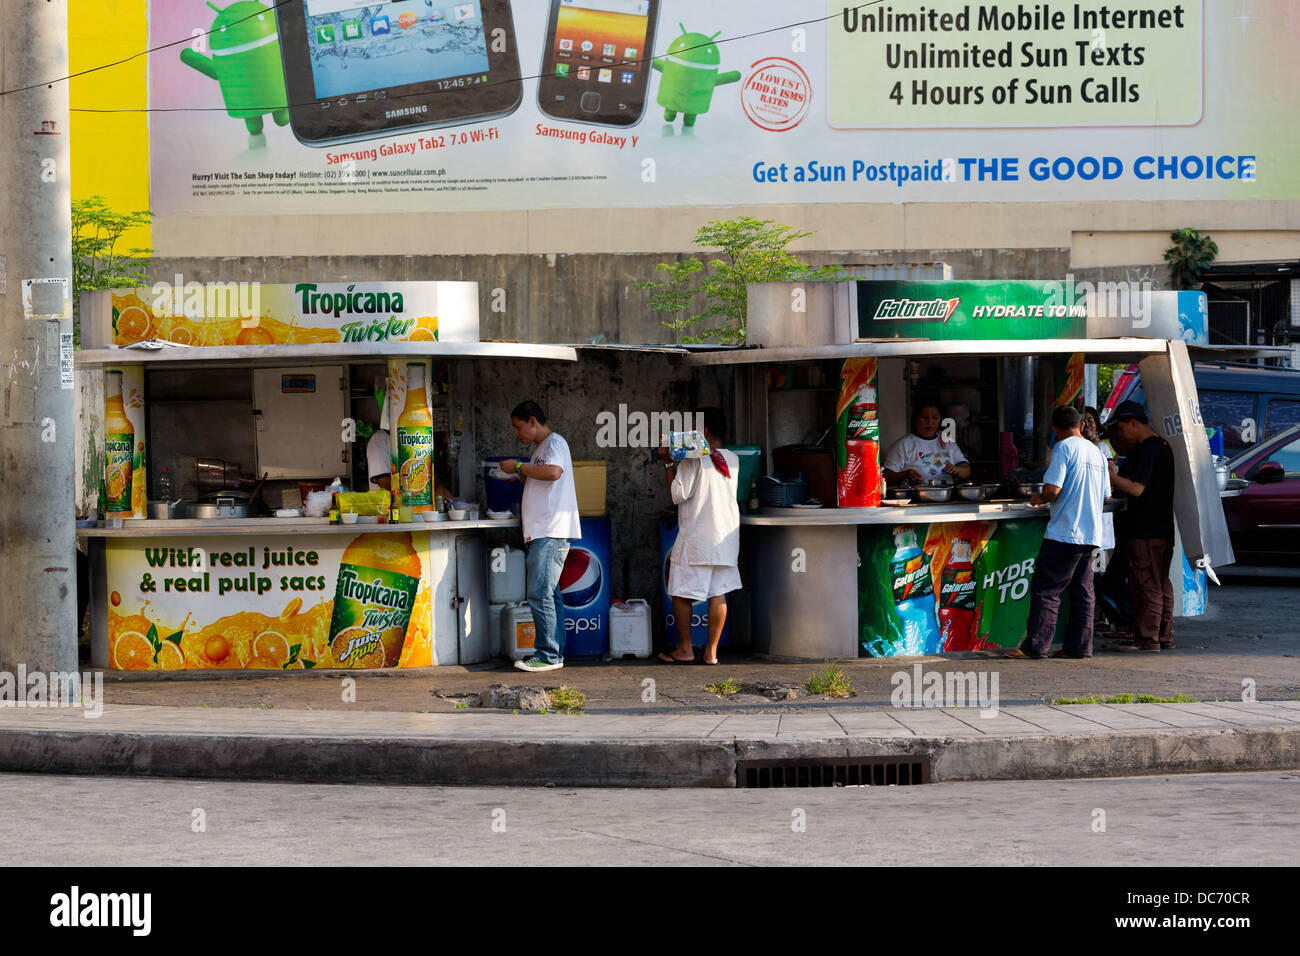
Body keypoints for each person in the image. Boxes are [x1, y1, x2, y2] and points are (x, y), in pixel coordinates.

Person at [1006, 406, 1110, 659]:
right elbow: (1106, 495)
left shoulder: (1064, 447)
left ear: (1055, 429)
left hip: (1065, 532)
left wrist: (1037, 498)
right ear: (1082, 425)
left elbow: (1052, 490)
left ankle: (1035, 647)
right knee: (1084, 592)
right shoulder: (1096, 453)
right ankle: (1080, 647)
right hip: (1091, 534)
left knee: (1048, 591)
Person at [499, 400, 581, 673]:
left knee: (539, 594)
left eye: (518, 427)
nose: (516, 433)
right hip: (542, 532)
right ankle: (554, 651)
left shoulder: (555, 443)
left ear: (533, 421)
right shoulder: (540, 450)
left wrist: (519, 467)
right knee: (550, 595)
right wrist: (521, 476)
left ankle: (548, 654)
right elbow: (543, 477)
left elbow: (553, 473)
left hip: (551, 531)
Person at [658, 408, 740, 666]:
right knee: (718, 592)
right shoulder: (732, 458)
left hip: (696, 538)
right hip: (724, 538)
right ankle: (712, 652)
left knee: (681, 593)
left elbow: (677, 495)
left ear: (703, 432)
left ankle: (685, 648)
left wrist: (669, 463)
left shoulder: (694, 460)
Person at [1105, 400, 1176, 653]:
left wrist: (1112, 476)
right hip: (1161, 528)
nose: (1118, 437)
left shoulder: (1149, 449)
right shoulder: (1162, 446)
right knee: (1160, 583)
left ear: (1133, 422)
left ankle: (1147, 640)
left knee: (1146, 585)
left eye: (1120, 429)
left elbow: (1137, 488)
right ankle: (1164, 636)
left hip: (1145, 530)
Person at [883, 399, 972, 485]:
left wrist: (957, 470)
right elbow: (887, 476)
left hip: (946, 494)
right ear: (916, 419)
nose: (930, 422)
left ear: (940, 420)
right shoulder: (904, 444)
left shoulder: (946, 440)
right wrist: (906, 474)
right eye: (925, 418)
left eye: (935, 418)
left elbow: (966, 471)